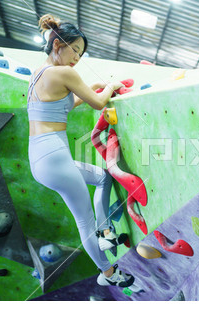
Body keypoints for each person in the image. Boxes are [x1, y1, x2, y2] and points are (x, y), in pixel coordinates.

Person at [27, 14, 134, 287]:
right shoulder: (65, 72)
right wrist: (110, 86)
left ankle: (106, 230)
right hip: (54, 157)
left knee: (102, 176)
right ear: (57, 45)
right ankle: (109, 273)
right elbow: (99, 104)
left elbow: (61, 106)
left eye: (81, 53)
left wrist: (91, 89)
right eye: (74, 49)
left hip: (41, 159)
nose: (77, 57)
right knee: (85, 222)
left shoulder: (39, 73)